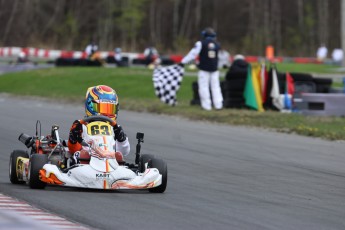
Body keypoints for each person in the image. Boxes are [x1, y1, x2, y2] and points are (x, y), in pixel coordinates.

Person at [67, 85, 130, 164]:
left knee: (119, 156)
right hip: (86, 161)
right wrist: (73, 139)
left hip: (110, 161)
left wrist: (122, 140)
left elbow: (124, 152)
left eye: (110, 109)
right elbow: (73, 149)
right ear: (91, 106)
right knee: (83, 155)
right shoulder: (81, 124)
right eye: (104, 108)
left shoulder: (116, 128)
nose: (107, 113)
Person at [180, 27, 223, 110]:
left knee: (204, 87)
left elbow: (192, 54)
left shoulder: (200, 43)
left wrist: (183, 62)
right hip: (215, 69)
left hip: (204, 69)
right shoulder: (217, 44)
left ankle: (207, 106)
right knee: (216, 87)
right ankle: (218, 105)